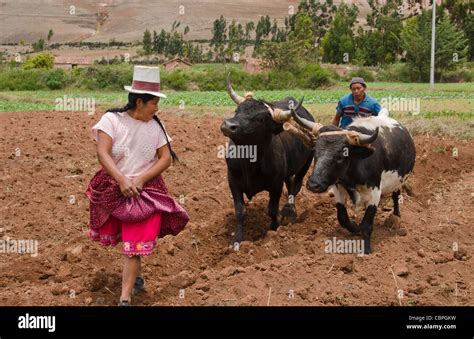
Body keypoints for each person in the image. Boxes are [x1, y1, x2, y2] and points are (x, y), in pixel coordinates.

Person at [85, 65, 189, 306]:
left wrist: (140, 180)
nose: (157, 108)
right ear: (140, 102)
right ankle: (137, 277)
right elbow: (102, 153)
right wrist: (121, 179)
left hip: (146, 193)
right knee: (130, 241)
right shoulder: (111, 120)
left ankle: (124, 299)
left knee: (133, 248)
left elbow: (165, 158)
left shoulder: (156, 127)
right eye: (154, 103)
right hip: (114, 188)